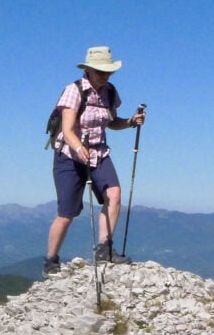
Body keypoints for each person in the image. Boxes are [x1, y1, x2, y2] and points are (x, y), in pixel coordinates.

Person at [43, 46, 146, 276]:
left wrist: (130, 122)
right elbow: (67, 130)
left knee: (114, 194)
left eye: (108, 71)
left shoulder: (110, 92)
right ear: (88, 69)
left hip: (98, 153)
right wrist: (79, 148)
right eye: (101, 71)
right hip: (69, 156)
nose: (105, 75)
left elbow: (111, 122)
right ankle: (51, 260)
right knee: (67, 213)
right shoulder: (74, 90)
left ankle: (104, 248)